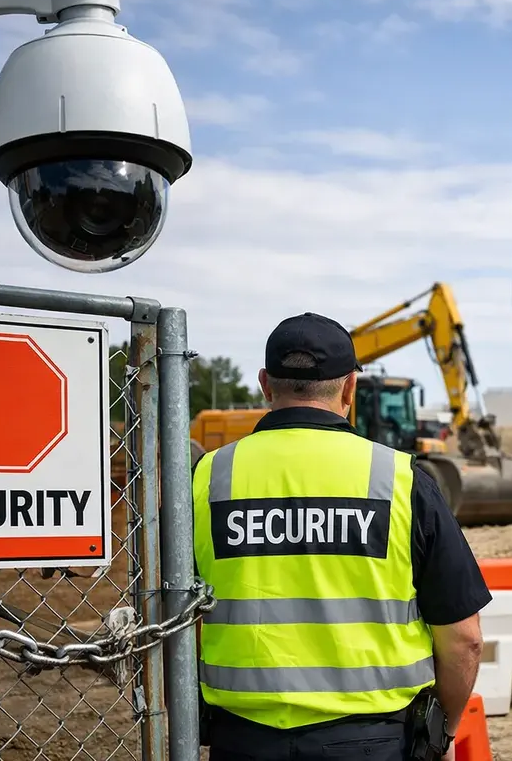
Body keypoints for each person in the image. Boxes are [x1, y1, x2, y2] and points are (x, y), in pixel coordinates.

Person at [192, 312, 490, 761]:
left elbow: (164, 618)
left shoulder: (205, 480)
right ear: (350, 388)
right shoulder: (401, 480)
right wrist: (441, 732)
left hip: (242, 740)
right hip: (373, 743)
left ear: (264, 385)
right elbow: (464, 638)